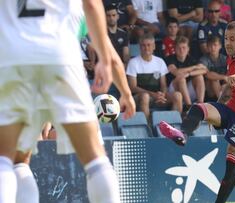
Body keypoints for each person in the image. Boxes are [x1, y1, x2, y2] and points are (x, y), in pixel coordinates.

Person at [0, 1, 135, 203]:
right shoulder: (77, 16)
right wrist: (125, 91)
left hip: (15, 57)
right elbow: (91, 5)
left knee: (10, 160)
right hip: (61, 58)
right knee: (95, 157)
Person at [159, 21, 235, 203]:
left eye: (232, 39)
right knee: (200, 108)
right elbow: (228, 89)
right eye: (226, 38)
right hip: (232, 107)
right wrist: (217, 110)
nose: (227, 43)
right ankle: (184, 134)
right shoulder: (231, 58)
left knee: (232, 163)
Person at [126, 34, 183, 120]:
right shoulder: (133, 62)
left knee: (177, 95)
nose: (146, 48)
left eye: (149, 45)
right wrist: (152, 94)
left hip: (157, 96)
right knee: (145, 96)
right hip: (139, 97)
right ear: (140, 47)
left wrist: (162, 95)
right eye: (143, 45)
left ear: (154, 46)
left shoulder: (160, 61)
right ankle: (147, 128)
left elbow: (163, 85)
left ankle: (174, 126)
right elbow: (132, 87)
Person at [166, 36, 208, 106]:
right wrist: (194, 67)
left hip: (187, 89)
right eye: (179, 48)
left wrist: (189, 73)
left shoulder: (191, 59)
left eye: (184, 48)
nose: (181, 50)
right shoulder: (170, 59)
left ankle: (201, 104)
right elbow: (176, 72)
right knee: (181, 78)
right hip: (174, 90)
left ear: (188, 49)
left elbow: (204, 70)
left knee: (199, 77)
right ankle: (188, 106)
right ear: (175, 49)